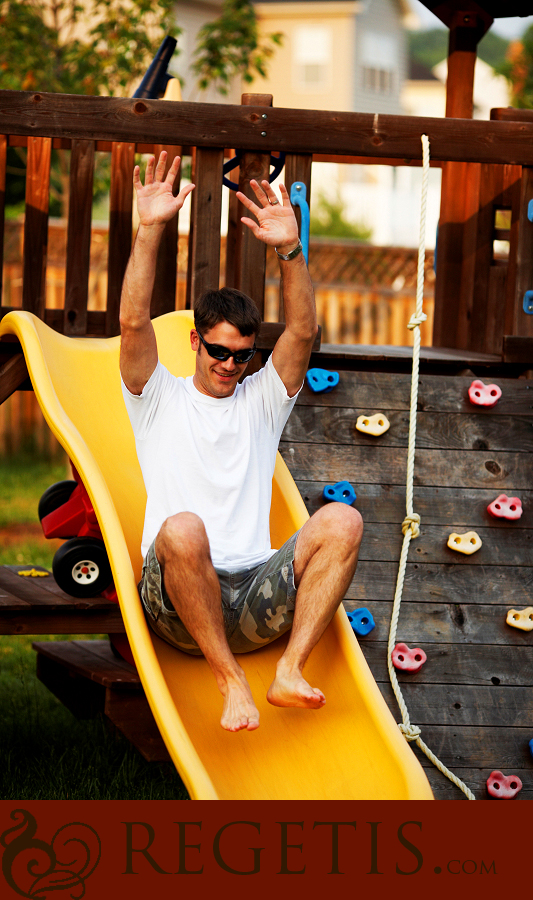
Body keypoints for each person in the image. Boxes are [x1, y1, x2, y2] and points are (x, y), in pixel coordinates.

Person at [119, 151, 363, 734]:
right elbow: (132, 324)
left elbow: (302, 331)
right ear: (197, 343)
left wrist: (290, 251)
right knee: (182, 527)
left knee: (343, 522)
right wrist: (149, 232)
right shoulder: (157, 397)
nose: (229, 364)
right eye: (218, 350)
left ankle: (290, 669)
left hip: (254, 594)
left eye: (242, 354)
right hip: (178, 601)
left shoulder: (261, 401)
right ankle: (230, 681)